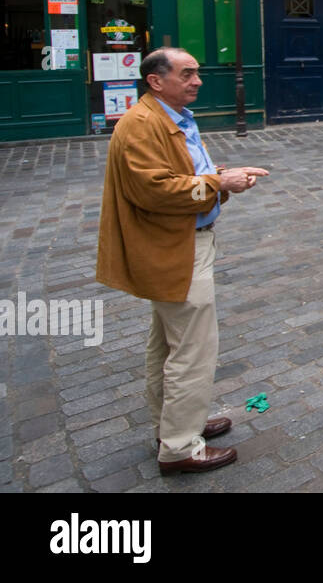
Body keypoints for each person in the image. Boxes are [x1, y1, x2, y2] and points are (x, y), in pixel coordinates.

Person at [96, 48, 269, 475]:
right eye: (187, 74)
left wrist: (220, 176)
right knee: (192, 349)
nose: (197, 81)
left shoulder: (172, 118)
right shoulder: (141, 125)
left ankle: (173, 424)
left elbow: (185, 173)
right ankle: (178, 446)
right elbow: (154, 190)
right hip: (173, 248)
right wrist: (216, 182)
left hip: (181, 243)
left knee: (169, 343)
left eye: (197, 73)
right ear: (156, 81)